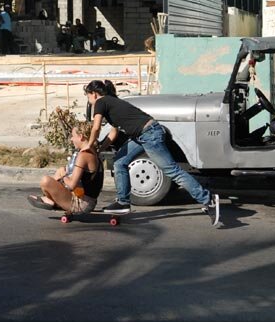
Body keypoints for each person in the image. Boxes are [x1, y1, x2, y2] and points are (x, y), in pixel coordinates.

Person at [81, 79, 220, 225]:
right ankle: (123, 203)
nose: (89, 101)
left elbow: (96, 128)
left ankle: (208, 200)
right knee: (120, 162)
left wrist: (89, 146)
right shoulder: (112, 103)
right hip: (144, 135)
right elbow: (112, 134)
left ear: (94, 94)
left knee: (172, 171)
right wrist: (98, 150)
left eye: (88, 97)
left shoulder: (101, 102)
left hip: (149, 134)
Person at [27, 121, 104, 215]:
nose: (71, 139)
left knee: (45, 181)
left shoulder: (84, 155)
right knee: (60, 171)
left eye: (73, 136)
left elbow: (71, 185)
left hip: (81, 204)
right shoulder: (93, 152)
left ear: (81, 137)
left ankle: (50, 200)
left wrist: (63, 177)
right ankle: (49, 199)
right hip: (87, 200)